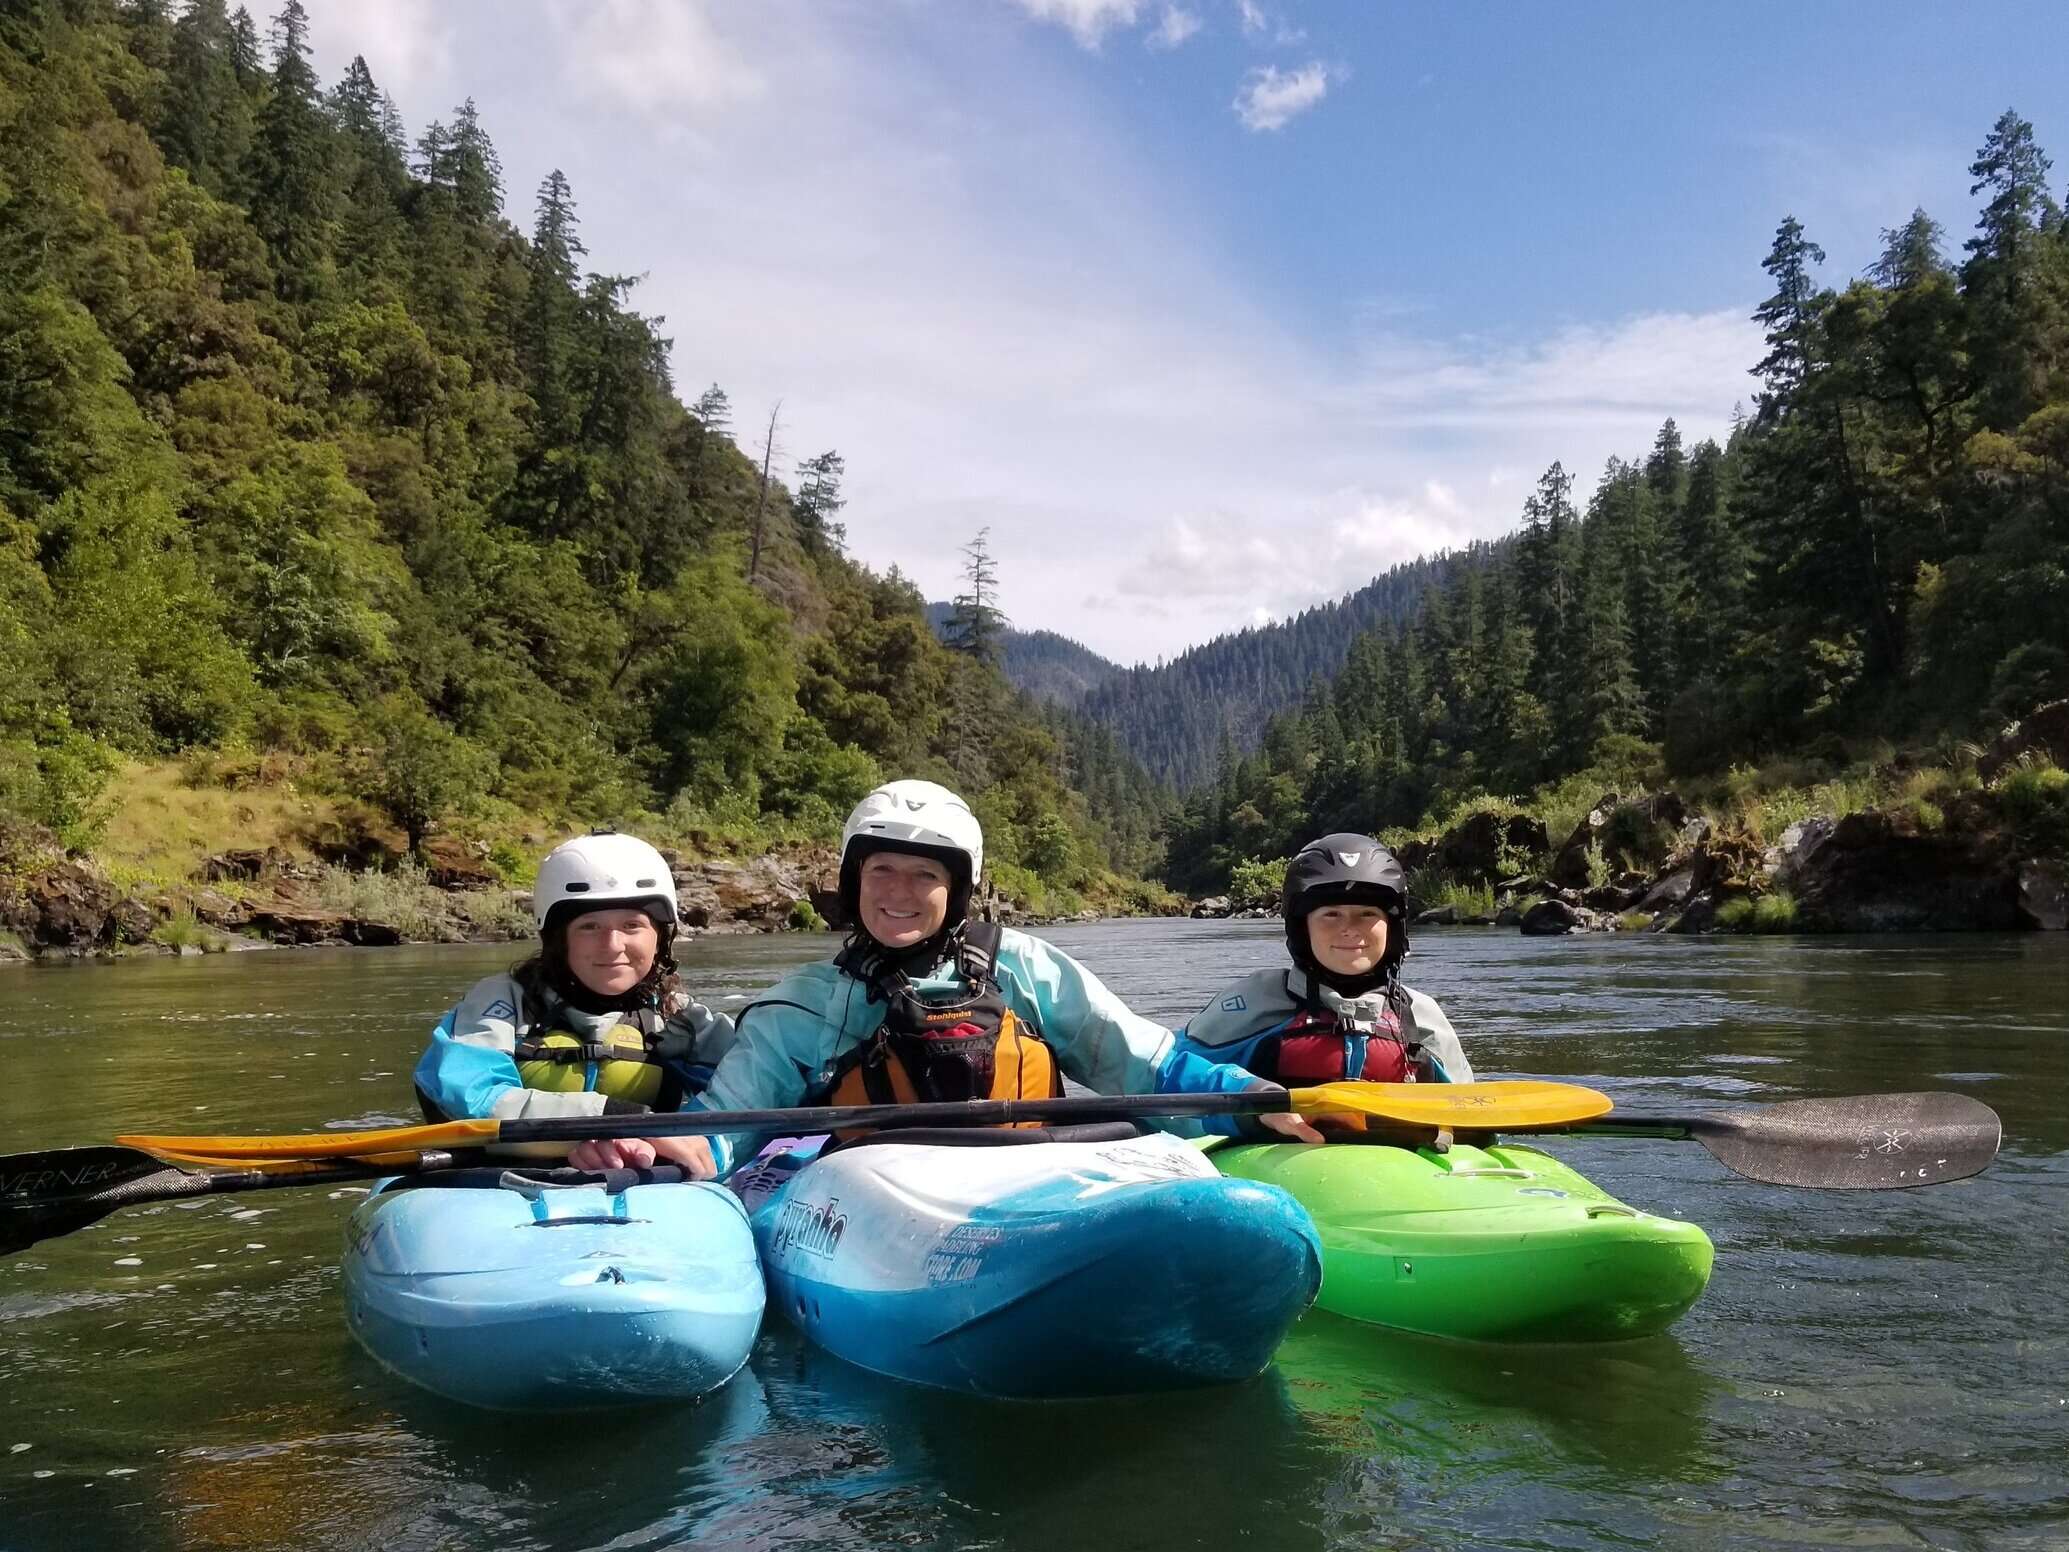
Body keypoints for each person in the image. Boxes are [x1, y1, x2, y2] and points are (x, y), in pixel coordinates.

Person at [571, 779, 1322, 1179]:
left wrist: (1251, 1103)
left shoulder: (1024, 966)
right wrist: (668, 1150)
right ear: (852, 881)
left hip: (1031, 1177)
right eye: (881, 871)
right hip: (881, 1199)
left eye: (924, 875)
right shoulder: (807, 1000)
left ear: (957, 890)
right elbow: (732, 1119)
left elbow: (1140, 1062)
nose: (899, 892)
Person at [413, 830, 734, 1173]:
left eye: (632, 925)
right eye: (589, 926)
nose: (612, 945)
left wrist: (675, 1144)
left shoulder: (678, 1017)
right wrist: (611, 1121)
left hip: (644, 1174)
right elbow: (466, 1094)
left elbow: (745, 1094)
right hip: (504, 1179)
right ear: (557, 938)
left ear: (660, 938)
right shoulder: (501, 1003)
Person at [1172, 833, 1471, 1122]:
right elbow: (1168, 1073)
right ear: (1303, 928)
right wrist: (1247, 1102)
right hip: (1276, 1159)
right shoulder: (1254, 1002)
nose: (1350, 928)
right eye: (1331, 914)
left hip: (1403, 1163)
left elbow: (1471, 1108)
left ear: (1392, 927)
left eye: (1367, 913)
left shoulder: (1419, 1015)